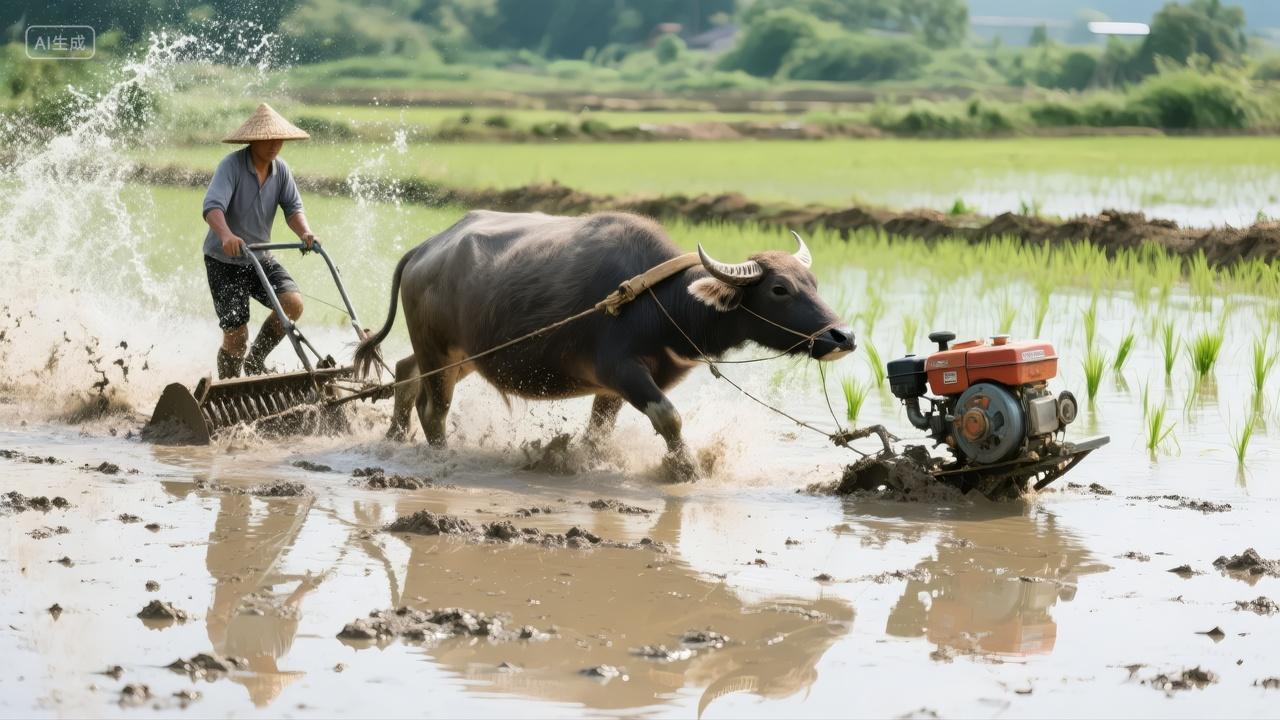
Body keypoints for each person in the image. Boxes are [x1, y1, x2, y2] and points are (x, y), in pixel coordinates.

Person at [202, 102, 319, 378]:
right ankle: (230, 387)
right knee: (236, 335)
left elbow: (293, 209)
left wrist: (305, 232)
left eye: (279, 139)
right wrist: (226, 234)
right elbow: (212, 207)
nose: (275, 144)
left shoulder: (282, 171)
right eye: (268, 139)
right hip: (224, 259)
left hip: (259, 256)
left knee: (292, 304)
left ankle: (255, 361)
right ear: (252, 139)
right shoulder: (231, 166)